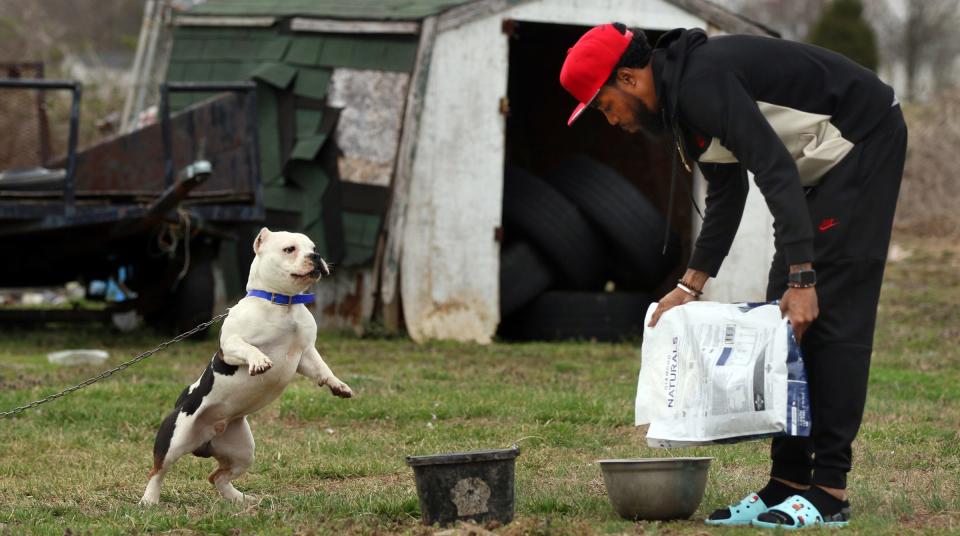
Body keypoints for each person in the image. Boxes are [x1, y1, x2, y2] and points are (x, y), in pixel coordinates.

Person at [559, 23, 906, 529]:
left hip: (862, 141)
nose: (609, 120)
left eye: (602, 105)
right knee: (780, 322)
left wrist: (804, 278)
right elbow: (726, 194)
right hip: (816, 168)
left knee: (830, 317)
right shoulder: (679, 106)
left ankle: (830, 489)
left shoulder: (701, 83)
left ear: (629, 79)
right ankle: (787, 481)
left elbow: (773, 170)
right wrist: (688, 286)